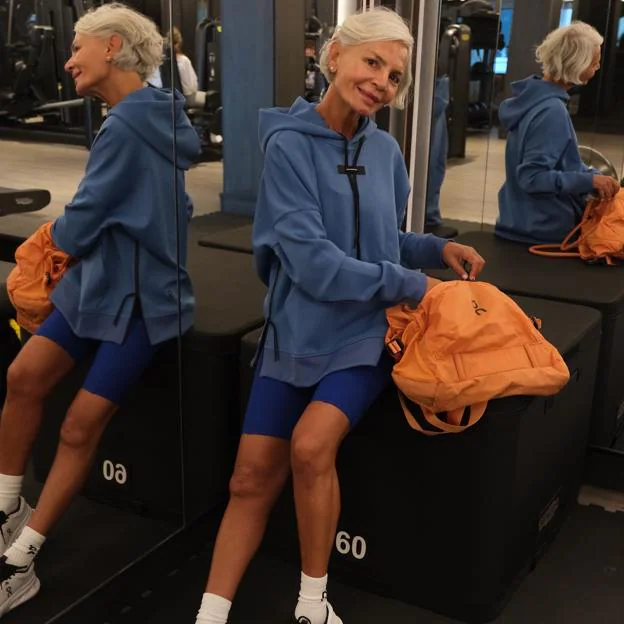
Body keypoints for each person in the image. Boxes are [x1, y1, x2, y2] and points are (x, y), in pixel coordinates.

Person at [194, 8, 485, 624]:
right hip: (295, 332)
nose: (382, 81)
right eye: (372, 62)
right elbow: (317, 267)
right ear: (333, 58)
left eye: (396, 76)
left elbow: (383, 239)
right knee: (249, 480)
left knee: (310, 446)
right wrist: (414, 283)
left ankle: (312, 606)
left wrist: (436, 249)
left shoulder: (385, 151)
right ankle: (210, 616)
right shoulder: (287, 147)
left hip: (366, 333)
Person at [0, 2, 199, 615]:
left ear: (111, 47)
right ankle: (9, 508)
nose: (68, 58)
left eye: (78, 47)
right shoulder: (148, 115)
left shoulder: (126, 125)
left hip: (142, 303)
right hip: (96, 288)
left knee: (79, 424)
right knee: (23, 377)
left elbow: (82, 224)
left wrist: (48, 245)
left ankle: (20, 561)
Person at [496, 21, 619, 245]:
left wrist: (592, 177)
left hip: (518, 220)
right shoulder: (551, 111)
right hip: (543, 229)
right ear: (577, 64)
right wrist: (589, 181)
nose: (598, 67)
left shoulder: (531, 100)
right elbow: (532, 178)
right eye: (594, 62)